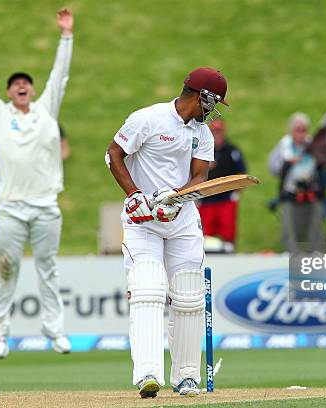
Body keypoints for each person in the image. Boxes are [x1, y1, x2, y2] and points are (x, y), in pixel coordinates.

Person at [105, 67, 228, 398]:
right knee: (148, 290)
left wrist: (176, 197)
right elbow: (113, 155)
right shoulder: (147, 119)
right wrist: (135, 196)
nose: (213, 110)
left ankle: (187, 376)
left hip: (182, 219)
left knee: (188, 296)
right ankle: (147, 373)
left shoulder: (201, 133)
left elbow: (200, 176)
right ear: (202, 96)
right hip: (142, 220)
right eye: (213, 102)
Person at [0, 8, 74, 358]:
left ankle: (54, 330)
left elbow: (61, 74)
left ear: (33, 90)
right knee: (4, 270)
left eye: (26, 82)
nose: (21, 85)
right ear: (8, 92)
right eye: (15, 83)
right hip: (10, 206)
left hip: (45, 206)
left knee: (48, 268)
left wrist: (66, 35)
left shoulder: (47, 111)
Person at [269, 112, 326, 253]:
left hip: (312, 193)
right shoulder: (284, 146)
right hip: (291, 194)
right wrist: (288, 163)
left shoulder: (313, 145)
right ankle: (291, 257)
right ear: (292, 131)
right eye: (298, 130)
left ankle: (316, 257)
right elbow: (273, 168)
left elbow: (324, 166)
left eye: (304, 130)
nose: (301, 134)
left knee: (316, 229)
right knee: (290, 231)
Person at [197, 119, 247, 252]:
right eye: (214, 132)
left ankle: (230, 255)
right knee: (206, 233)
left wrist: (236, 193)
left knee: (228, 232)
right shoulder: (203, 151)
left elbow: (241, 172)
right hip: (207, 199)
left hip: (226, 199)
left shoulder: (231, 151)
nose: (217, 135)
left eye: (219, 132)